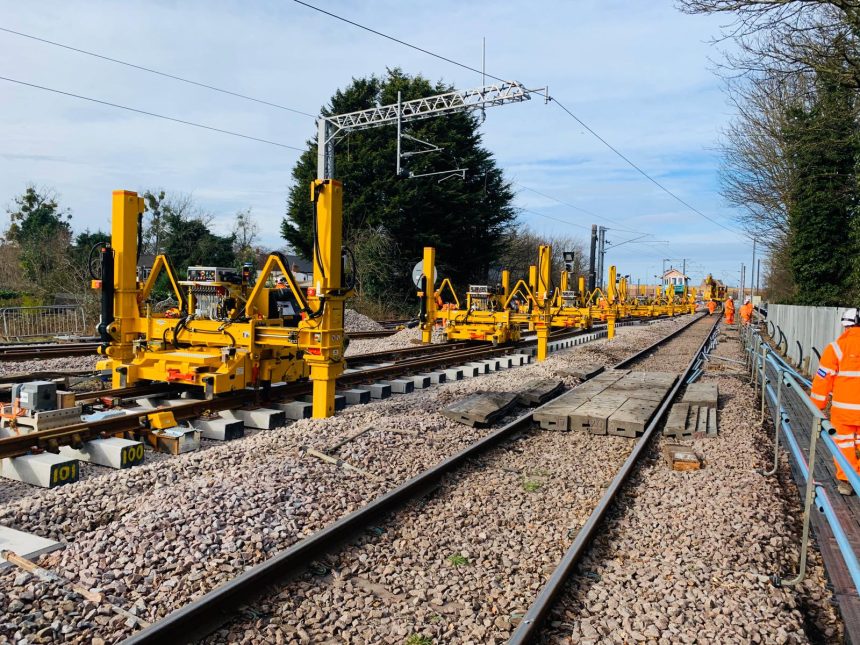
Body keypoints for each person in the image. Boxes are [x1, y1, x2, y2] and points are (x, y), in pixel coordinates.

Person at [811, 308, 860, 495]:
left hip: (844, 411)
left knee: (845, 443)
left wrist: (817, 407)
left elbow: (823, 380)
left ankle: (847, 481)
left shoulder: (836, 348)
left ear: (845, 325)